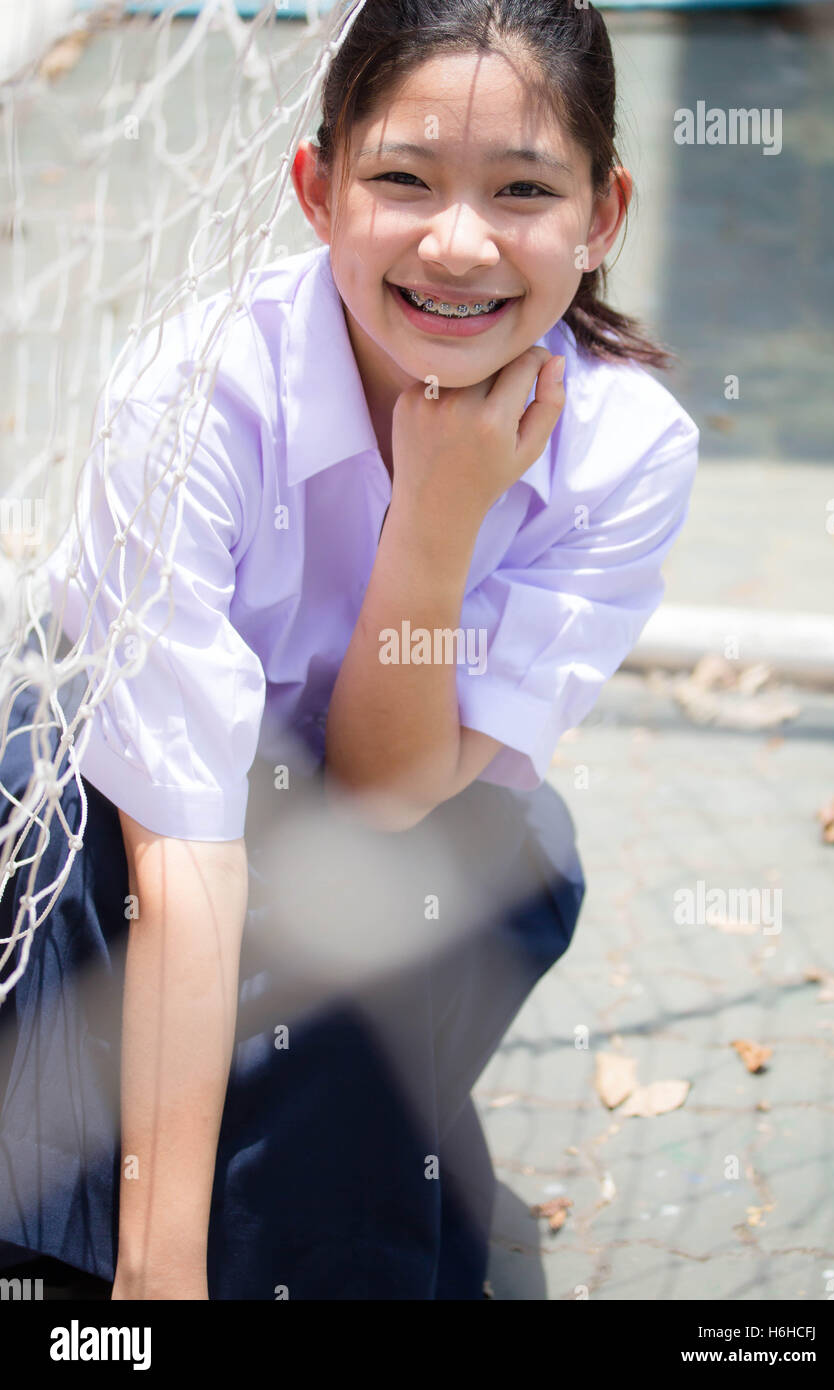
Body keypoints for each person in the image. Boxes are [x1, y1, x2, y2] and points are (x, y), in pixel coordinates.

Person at [0, 0, 699, 1301]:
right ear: (317, 186)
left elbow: (386, 792)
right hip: (152, 827)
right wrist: (159, 1281)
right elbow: (186, 847)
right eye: (402, 178)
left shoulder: (625, 450)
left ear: (601, 215)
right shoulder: (189, 396)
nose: (456, 240)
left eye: (521, 188)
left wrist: (435, 517)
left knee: (487, 859)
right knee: (36, 789)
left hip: (391, 825)